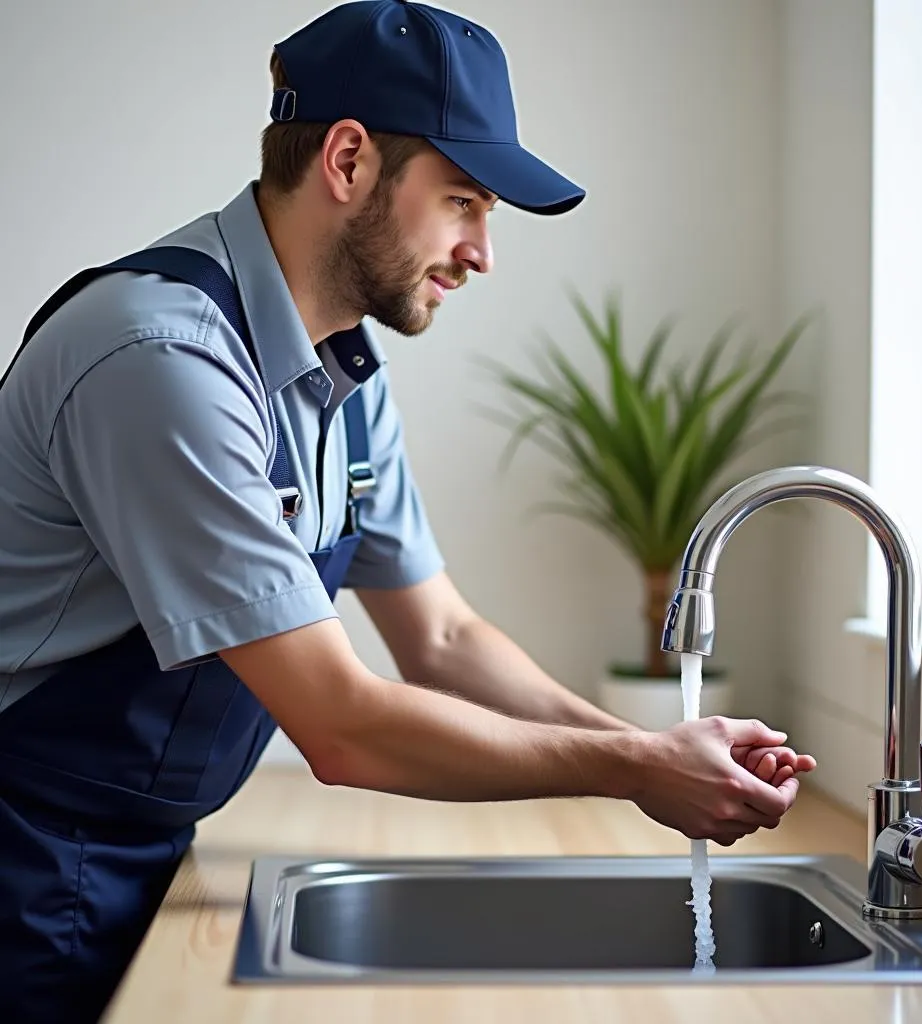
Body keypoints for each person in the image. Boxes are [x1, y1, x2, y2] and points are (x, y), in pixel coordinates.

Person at [0, 1, 816, 1020]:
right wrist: (636, 765)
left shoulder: (341, 363)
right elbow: (342, 727)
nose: (482, 251)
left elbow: (438, 634)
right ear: (347, 161)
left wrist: (651, 752)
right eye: (463, 201)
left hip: (132, 849)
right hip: (24, 858)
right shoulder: (162, 362)